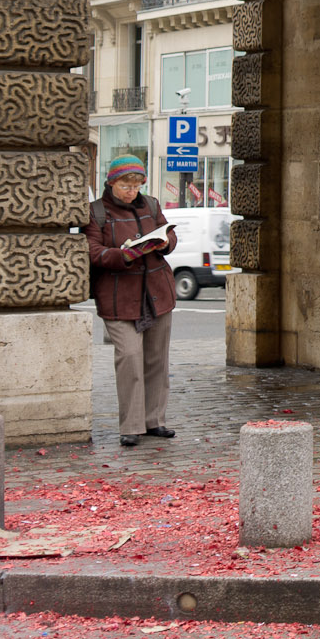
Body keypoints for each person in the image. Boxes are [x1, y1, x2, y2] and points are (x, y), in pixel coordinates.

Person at [84, 156, 179, 447]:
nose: (132, 191)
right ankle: (131, 426)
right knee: (129, 359)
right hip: (118, 297)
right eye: (126, 185)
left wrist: (166, 242)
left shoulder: (150, 204)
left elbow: (169, 233)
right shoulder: (96, 212)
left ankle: (155, 421)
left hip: (156, 292)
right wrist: (123, 255)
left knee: (156, 359)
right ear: (111, 182)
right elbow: (93, 251)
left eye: (137, 185)